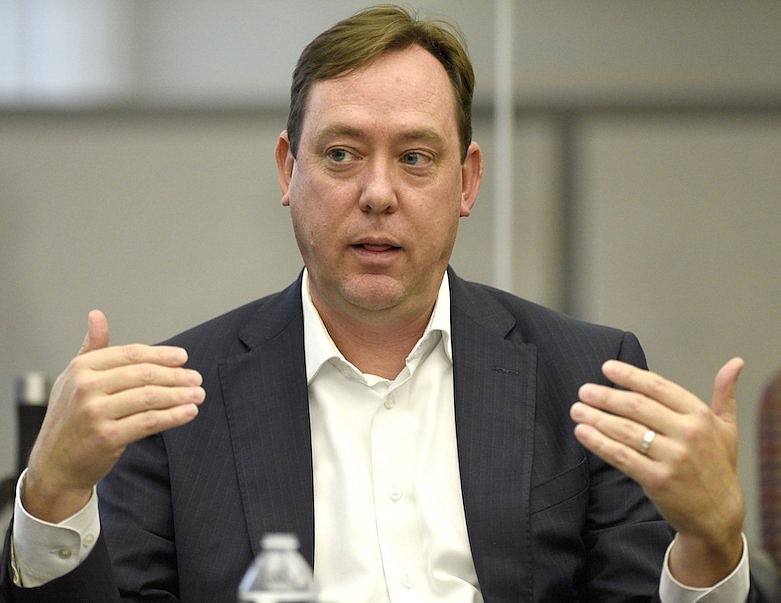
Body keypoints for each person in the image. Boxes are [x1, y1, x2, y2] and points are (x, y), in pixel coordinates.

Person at [0, 5, 757, 602]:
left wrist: (711, 546)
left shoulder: (586, 379)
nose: (377, 193)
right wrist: (55, 497)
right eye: (341, 154)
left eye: (415, 158)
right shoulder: (176, 400)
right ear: (286, 170)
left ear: (466, 182)